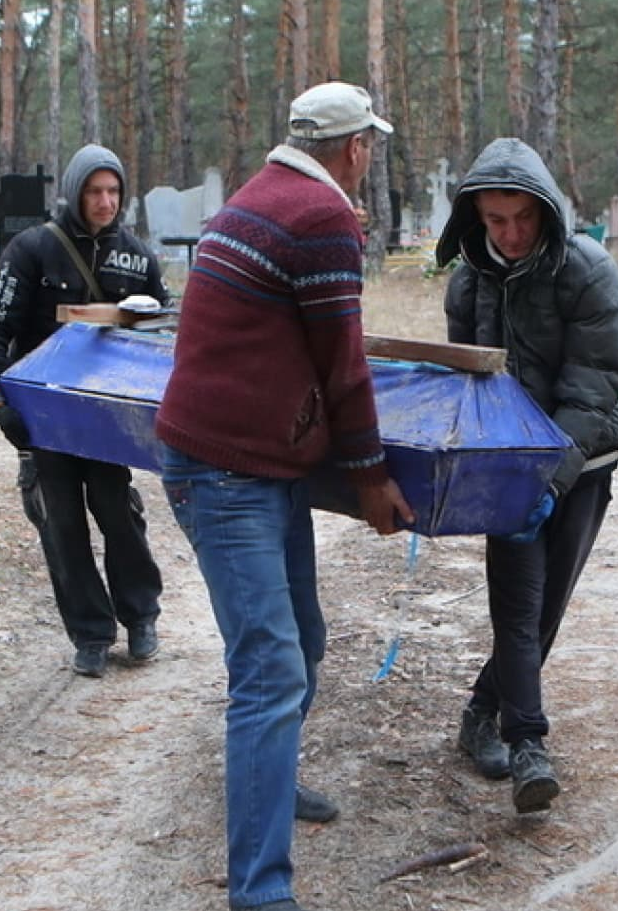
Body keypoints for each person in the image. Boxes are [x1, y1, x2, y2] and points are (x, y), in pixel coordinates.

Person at [155, 82, 415, 911]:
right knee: (268, 671)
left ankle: (268, 780)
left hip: (255, 463)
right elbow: (343, 363)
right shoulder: (321, 216)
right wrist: (373, 477)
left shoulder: (260, 196)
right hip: (226, 472)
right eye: (368, 144)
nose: (369, 156)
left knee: (298, 638)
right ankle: (259, 893)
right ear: (354, 148)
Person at [435, 137, 618, 815]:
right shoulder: (467, 280)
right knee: (516, 609)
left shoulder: (589, 273)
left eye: (522, 218)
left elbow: (594, 388)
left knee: (546, 611)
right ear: (475, 218)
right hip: (508, 469)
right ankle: (528, 748)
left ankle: (479, 711)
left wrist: (550, 476)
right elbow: (467, 382)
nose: (511, 235)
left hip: (584, 461)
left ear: (545, 210)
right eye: (495, 221)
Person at [0, 144, 170, 678]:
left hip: (106, 418)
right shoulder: (33, 249)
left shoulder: (138, 257)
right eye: (94, 191)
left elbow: (162, 337)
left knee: (118, 515)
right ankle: (90, 634)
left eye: (113, 192)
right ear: (76, 192)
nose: (105, 202)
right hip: (42, 416)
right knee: (60, 525)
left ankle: (141, 616)